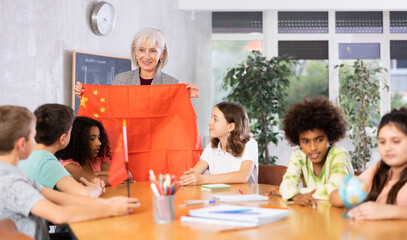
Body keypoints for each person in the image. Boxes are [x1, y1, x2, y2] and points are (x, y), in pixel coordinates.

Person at [0, 105, 140, 240]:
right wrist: (110, 209)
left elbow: (63, 199)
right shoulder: (10, 181)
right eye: (33, 136)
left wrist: (110, 203)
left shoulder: (16, 174)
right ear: (22, 144)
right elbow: (58, 216)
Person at [266, 96, 353, 206]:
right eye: (306, 141)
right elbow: (287, 184)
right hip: (313, 213)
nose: (313, 148)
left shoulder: (339, 154)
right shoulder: (299, 156)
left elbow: (336, 190)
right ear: (298, 141)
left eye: (319, 140)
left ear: (330, 137)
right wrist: (290, 192)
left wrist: (293, 193)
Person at [74, 28, 199, 98]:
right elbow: (109, 107)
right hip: (128, 141)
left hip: (158, 143)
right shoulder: (120, 80)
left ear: (161, 54)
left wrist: (185, 98)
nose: (146, 56)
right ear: (135, 51)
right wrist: (87, 96)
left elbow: (175, 119)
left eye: (153, 51)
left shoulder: (172, 84)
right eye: (142, 50)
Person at [330, 108, 407, 220]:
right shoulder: (379, 170)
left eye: (396, 141)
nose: (387, 148)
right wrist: (347, 197)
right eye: (382, 142)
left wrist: (388, 210)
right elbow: (333, 197)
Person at [18, 104, 105, 198]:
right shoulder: (47, 163)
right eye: (70, 132)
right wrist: (97, 188)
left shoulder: (25, 156)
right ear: (63, 138)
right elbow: (87, 194)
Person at [180, 102, 258, 185]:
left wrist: (203, 179)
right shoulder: (211, 147)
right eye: (211, 118)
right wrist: (189, 178)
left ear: (231, 126)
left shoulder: (250, 144)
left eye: (215, 119)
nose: (209, 122)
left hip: (244, 196)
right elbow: (195, 173)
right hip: (218, 197)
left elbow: (242, 176)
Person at [56, 116, 111, 185]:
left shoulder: (96, 162)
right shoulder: (69, 166)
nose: (99, 143)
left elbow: (126, 174)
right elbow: (95, 181)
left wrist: (99, 173)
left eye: (99, 138)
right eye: (92, 139)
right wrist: (113, 176)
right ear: (78, 142)